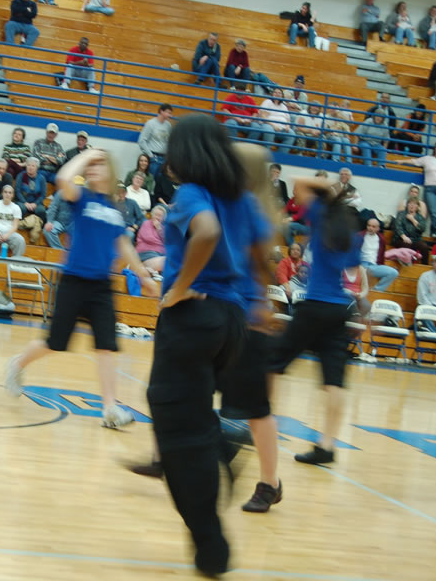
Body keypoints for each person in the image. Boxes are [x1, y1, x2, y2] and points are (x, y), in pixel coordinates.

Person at [143, 117, 271, 576]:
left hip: (193, 318)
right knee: (186, 416)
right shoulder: (243, 197)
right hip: (231, 320)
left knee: (177, 435)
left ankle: (211, 547)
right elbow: (263, 253)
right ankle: (219, 441)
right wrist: (259, 302)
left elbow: (208, 233)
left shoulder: (191, 193)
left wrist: (179, 288)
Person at [5, 148, 156, 413]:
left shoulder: (115, 209)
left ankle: (110, 408)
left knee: (107, 346)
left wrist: (144, 276)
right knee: (55, 343)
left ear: (111, 171)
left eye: (100, 165)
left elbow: (124, 245)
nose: (93, 169)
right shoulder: (82, 196)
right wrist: (88, 155)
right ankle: (17, 364)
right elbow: (63, 179)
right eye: (91, 166)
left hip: (101, 287)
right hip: (73, 282)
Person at [268, 173, 361, 467]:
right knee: (334, 381)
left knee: (273, 363)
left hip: (316, 305)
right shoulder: (350, 231)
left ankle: (261, 422)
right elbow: (354, 268)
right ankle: (327, 446)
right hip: (340, 310)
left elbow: (299, 183)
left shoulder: (321, 214)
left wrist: (329, 188)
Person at [395, 141, 436, 236]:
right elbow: (415, 161)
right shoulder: (427, 159)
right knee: (434, 211)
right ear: (435, 149)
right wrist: (402, 161)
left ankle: (434, 232)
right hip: (430, 188)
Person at [0, 184, 25, 257]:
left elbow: (15, 226)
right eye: (5, 192)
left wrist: (7, 235)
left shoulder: (16, 208)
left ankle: (16, 260)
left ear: (12, 195)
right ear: (2, 193)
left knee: (20, 240)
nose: (7, 194)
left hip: (10, 233)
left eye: (10, 193)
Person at [359, 218, 399, 291]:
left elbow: (381, 256)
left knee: (394, 272)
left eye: (373, 226)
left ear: (378, 228)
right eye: (369, 225)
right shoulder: (359, 236)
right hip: (361, 265)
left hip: (374, 266)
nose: (370, 228)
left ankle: (376, 290)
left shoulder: (381, 238)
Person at [138, 104, 173, 180]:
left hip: (164, 158)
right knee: (151, 181)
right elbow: (142, 141)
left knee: (161, 182)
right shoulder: (151, 123)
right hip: (153, 158)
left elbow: (169, 141)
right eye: (168, 113)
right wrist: (150, 155)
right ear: (161, 111)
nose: (170, 115)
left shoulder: (168, 125)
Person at [392, 197, 430, 263]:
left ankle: (424, 266)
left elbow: (422, 229)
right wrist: (404, 236)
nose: (412, 205)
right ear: (407, 205)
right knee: (407, 245)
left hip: (415, 240)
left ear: (417, 207)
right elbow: (397, 227)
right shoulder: (401, 214)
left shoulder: (420, 217)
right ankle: (407, 264)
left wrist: (413, 220)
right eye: (410, 203)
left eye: (414, 204)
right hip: (401, 239)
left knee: (424, 247)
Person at [257, 88, 295, 152]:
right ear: (272, 94)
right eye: (275, 92)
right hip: (268, 125)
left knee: (291, 135)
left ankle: (281, 154)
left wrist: (287, 126)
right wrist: (273, 125)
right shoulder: (268, 102)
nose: (277, 94)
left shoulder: (284, 106)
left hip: (281, 128)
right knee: (269, 131)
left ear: (282, 96)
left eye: (279, 93)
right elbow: (263, 116)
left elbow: (288, 119)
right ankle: (267, 153)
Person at [136, 203, 166, 273]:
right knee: (165, 262)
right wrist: (160, 243)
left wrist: (159, 228)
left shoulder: (164, 228)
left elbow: (167, 241)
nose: (158, 217)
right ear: (152, 215)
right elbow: (148, 238)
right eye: (156, 215)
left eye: (160, 216)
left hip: (161, 253)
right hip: (146, 252)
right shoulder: (146, 223)